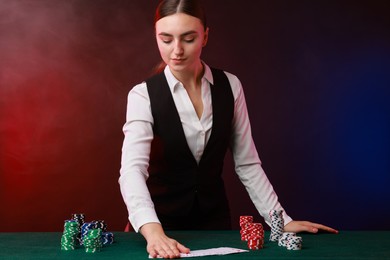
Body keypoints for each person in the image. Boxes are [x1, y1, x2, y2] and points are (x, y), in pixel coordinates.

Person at [119, 0, 338, 258]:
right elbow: (132, 171)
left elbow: (247, 164)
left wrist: (281, 219)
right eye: (166, 39)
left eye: (188, 39)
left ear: (205, 36)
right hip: (158, 226)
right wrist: (153, 231)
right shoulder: (142, 95)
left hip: (215, 223)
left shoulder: (230, 86)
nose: (176, 50)